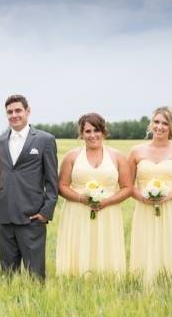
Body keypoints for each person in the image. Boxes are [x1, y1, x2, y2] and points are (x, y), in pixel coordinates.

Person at [56, 113, 132, 276]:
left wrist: (107, 201)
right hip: (77, 213)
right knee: (80, 246)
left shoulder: (117, 156)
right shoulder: (72, 156)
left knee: (105, 247)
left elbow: (127, 188)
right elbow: (61, 186)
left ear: (104, 132)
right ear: (81, 134)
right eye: (87, 131)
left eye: (96, 130)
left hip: (108, 213)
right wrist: (81, 199)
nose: (92, 135)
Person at [0, 94, 58, 279]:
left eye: (18, 111)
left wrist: (46, 212)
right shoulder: (0, 141)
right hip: (5, 217)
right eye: (9, 112)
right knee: (7, 277)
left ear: (27, 111)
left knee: (36, 276)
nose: (14, 115)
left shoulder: (45, 140)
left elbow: (51, 180)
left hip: (32, 217)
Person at [128, 106, 172, 284]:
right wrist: (142, 197)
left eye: (165, 123)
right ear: (151, 124)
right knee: (145, 243)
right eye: (156, 122)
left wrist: (167, 197)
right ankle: (142, 281)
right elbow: (127, 184)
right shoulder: (136, 151)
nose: (160, 126)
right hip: (144, 208)